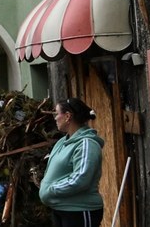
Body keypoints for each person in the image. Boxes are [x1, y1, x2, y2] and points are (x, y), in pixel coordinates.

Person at [39, 97, 104, 227]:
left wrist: (51, 189)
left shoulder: (86, 144)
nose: (55, 118)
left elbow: (81, 178)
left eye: (57, 113)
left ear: (68, 116)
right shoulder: (62, 142)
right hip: (61, 209)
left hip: (79, 211)